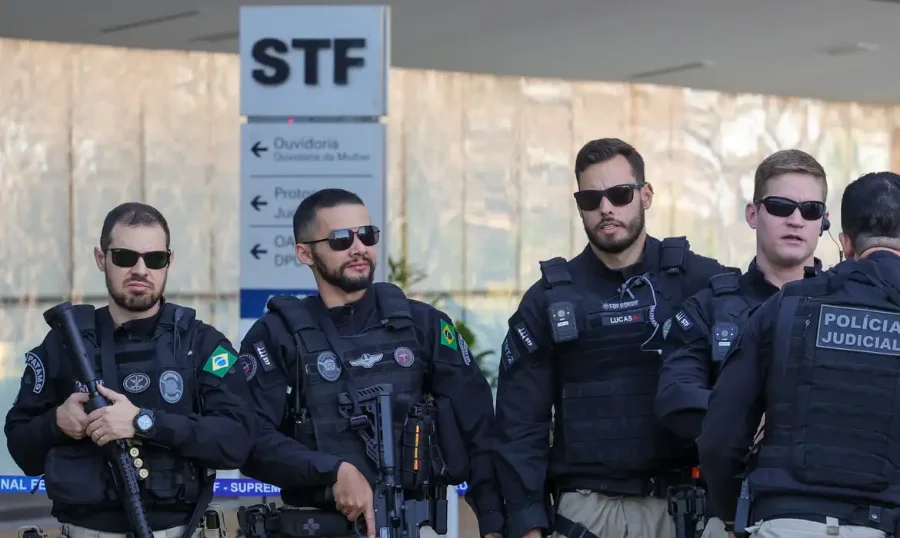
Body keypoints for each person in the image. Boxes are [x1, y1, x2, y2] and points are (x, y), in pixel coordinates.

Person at [493, 137, 729, 538]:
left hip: (688, 509)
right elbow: (520, 425)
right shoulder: (548, 299)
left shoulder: (701, 280)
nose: (606, 208)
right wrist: (528, 524)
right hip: (587, 512)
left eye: (620, 194)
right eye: (591, 199)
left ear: (646, 195)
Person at [236, 188, 505, 538]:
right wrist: (332, 471)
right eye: (340, 239)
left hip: (414, 525)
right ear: (305, 253)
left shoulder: (423, 325)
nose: (358, 247)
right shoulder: (277, 335)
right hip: (317, 526)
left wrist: (493, 523)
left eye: (366, 235)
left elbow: (480, 429)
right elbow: (249, 438)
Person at [4, 202, 257, 538]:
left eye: (154, 258)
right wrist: (57, 423)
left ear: (169, 262)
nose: (140, 270)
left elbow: (237, 442)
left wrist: (143, 422)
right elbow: (21, 449)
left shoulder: (203, 344)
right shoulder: (64, 344)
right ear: (101, 258)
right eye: (125, 257)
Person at [697, 171, 900, 538]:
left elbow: (720, 437)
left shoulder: (785, 305)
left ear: (845, 242)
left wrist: (729, 515)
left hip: (784, 521)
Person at [656, 149, 828, 537]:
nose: (796, 219)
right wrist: (748, 417)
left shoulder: (846, 307)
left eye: (810, 210)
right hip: (731, 514)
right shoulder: (710, 306)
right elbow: (675, 398)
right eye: (781, 206)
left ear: (824, 221)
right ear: (753, 214)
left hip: (827, 516)